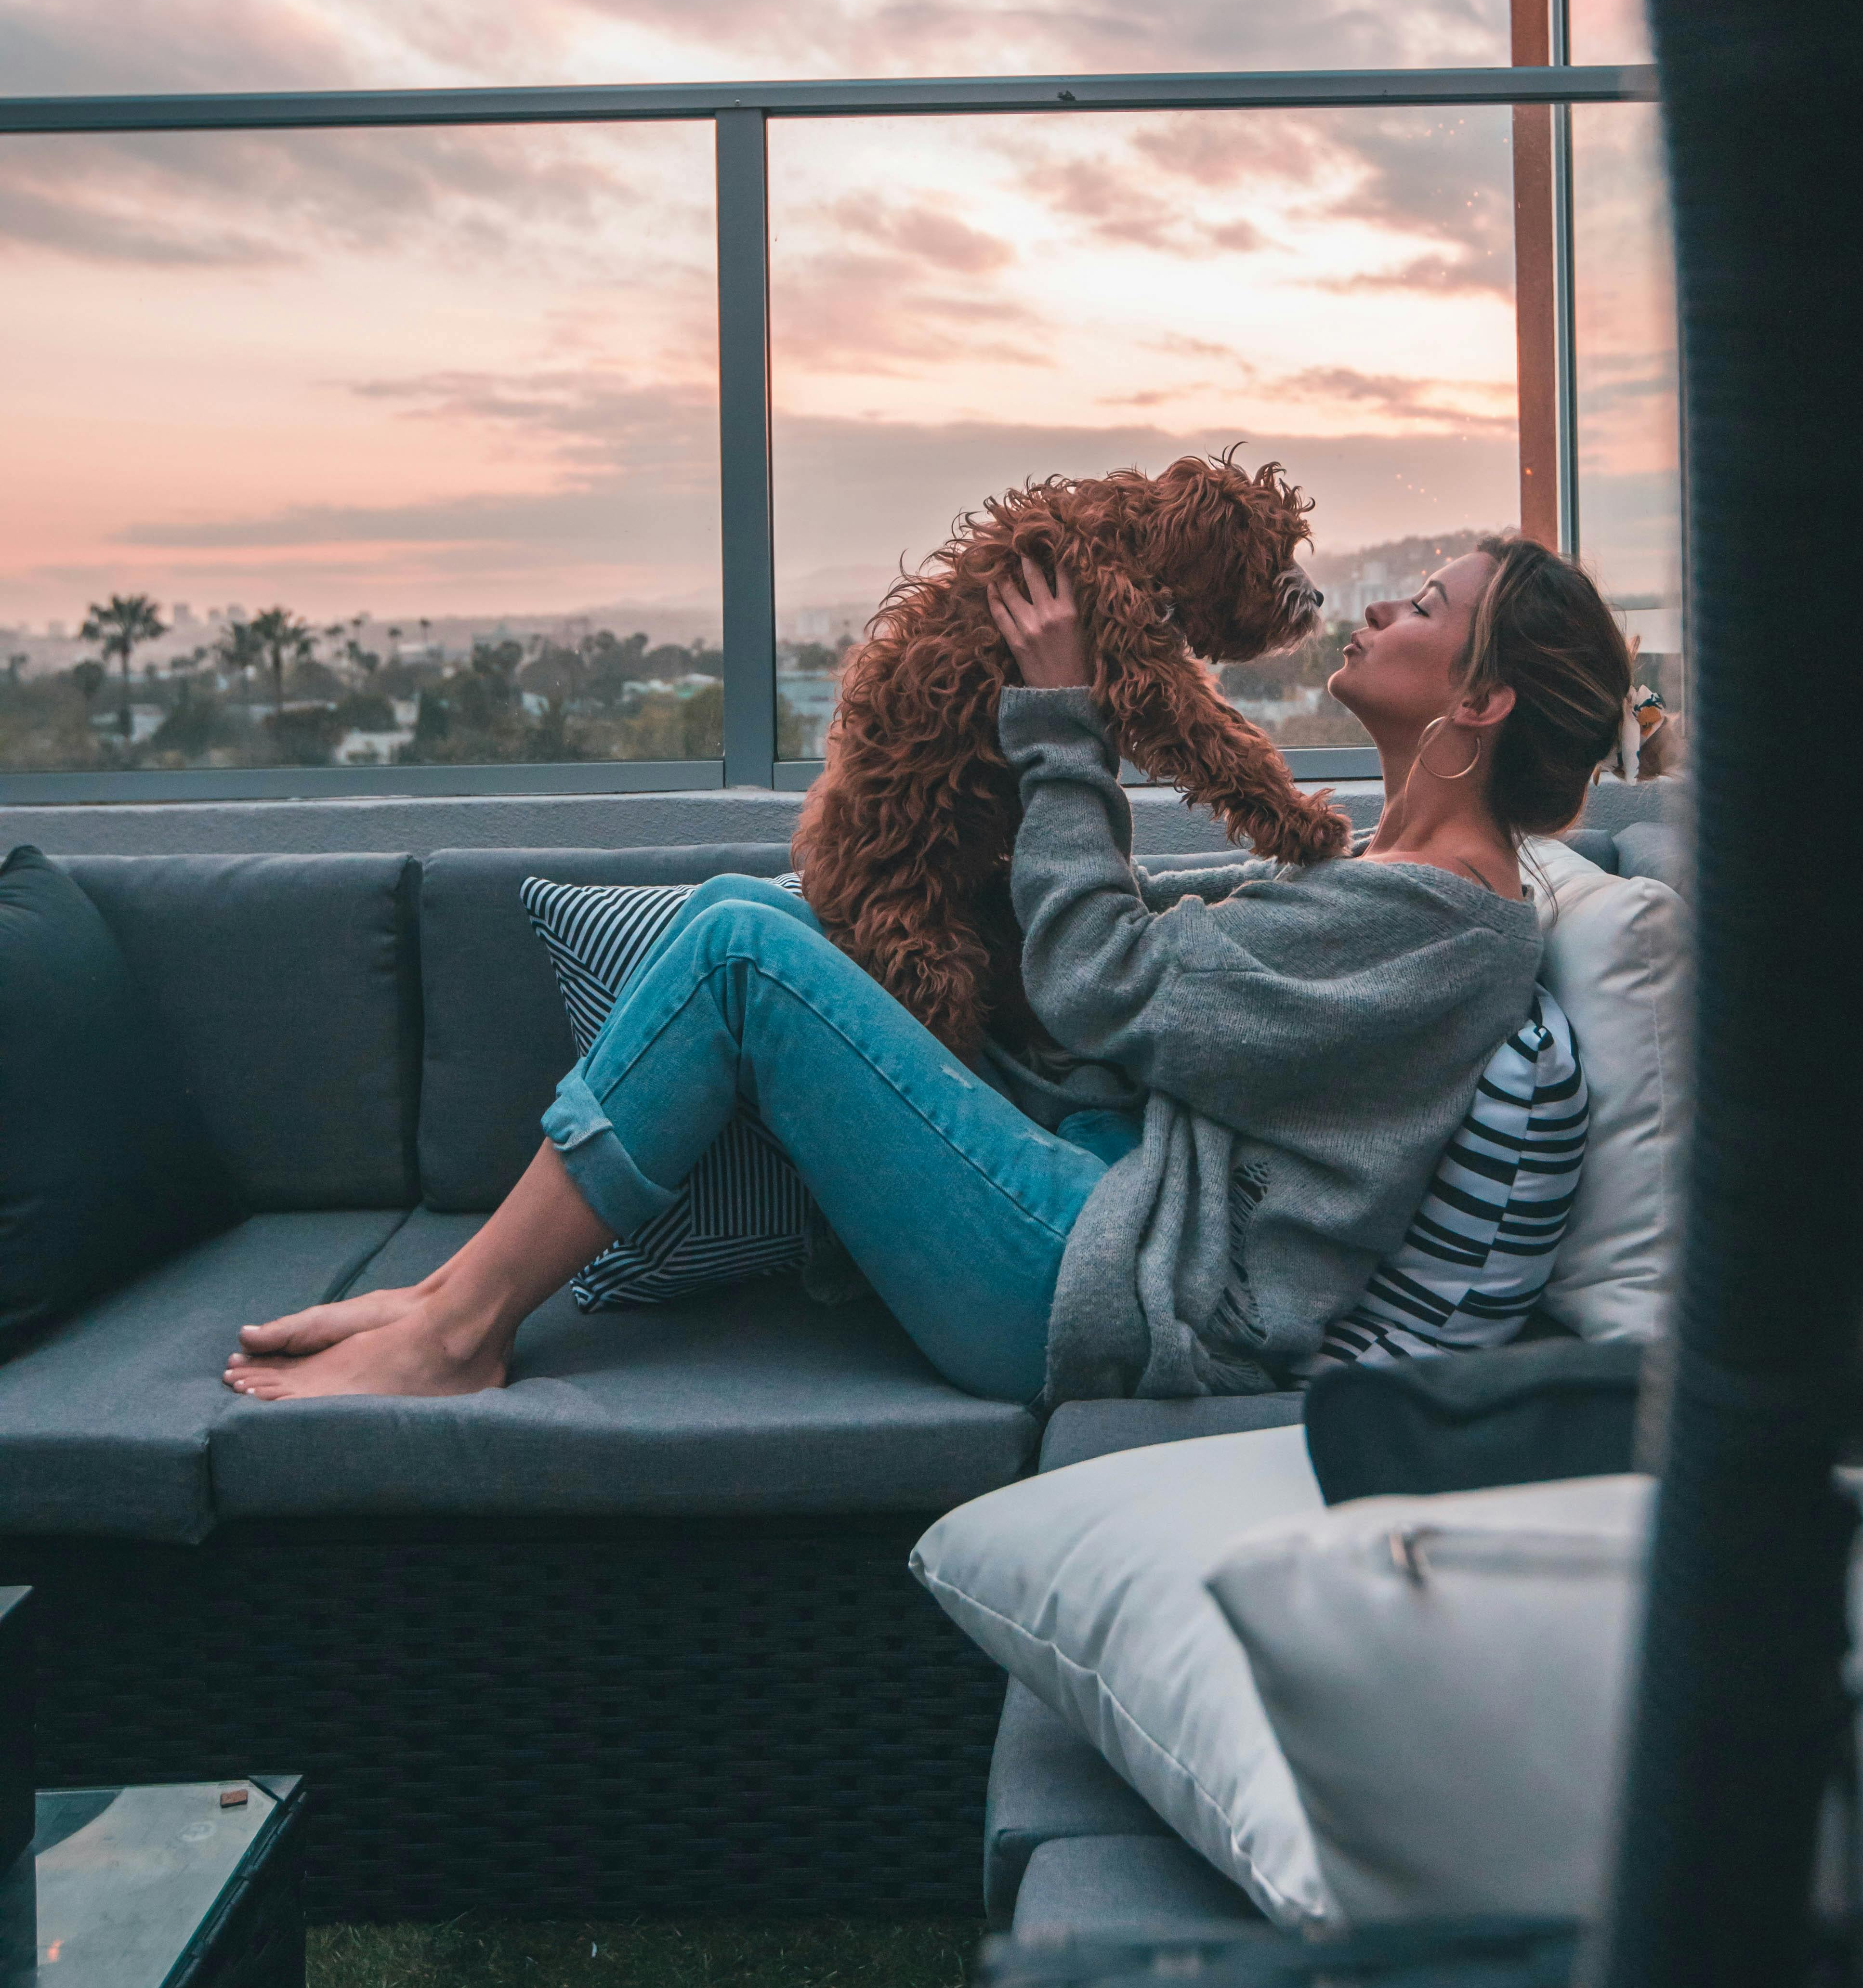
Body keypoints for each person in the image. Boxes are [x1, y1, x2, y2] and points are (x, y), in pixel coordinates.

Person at [223, 533, 1631, 1411]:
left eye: (1428, 605)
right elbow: (1171, 977)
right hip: (1098, 1181)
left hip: (1093, 1285)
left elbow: (1106, 988)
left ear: (1481, 699)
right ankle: (441, 1297)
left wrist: (1058, 721)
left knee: (734, 952)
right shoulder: (1398, 884)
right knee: (745, 900)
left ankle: (461, 1327)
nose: (1382, 605)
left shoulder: (1444, 927)